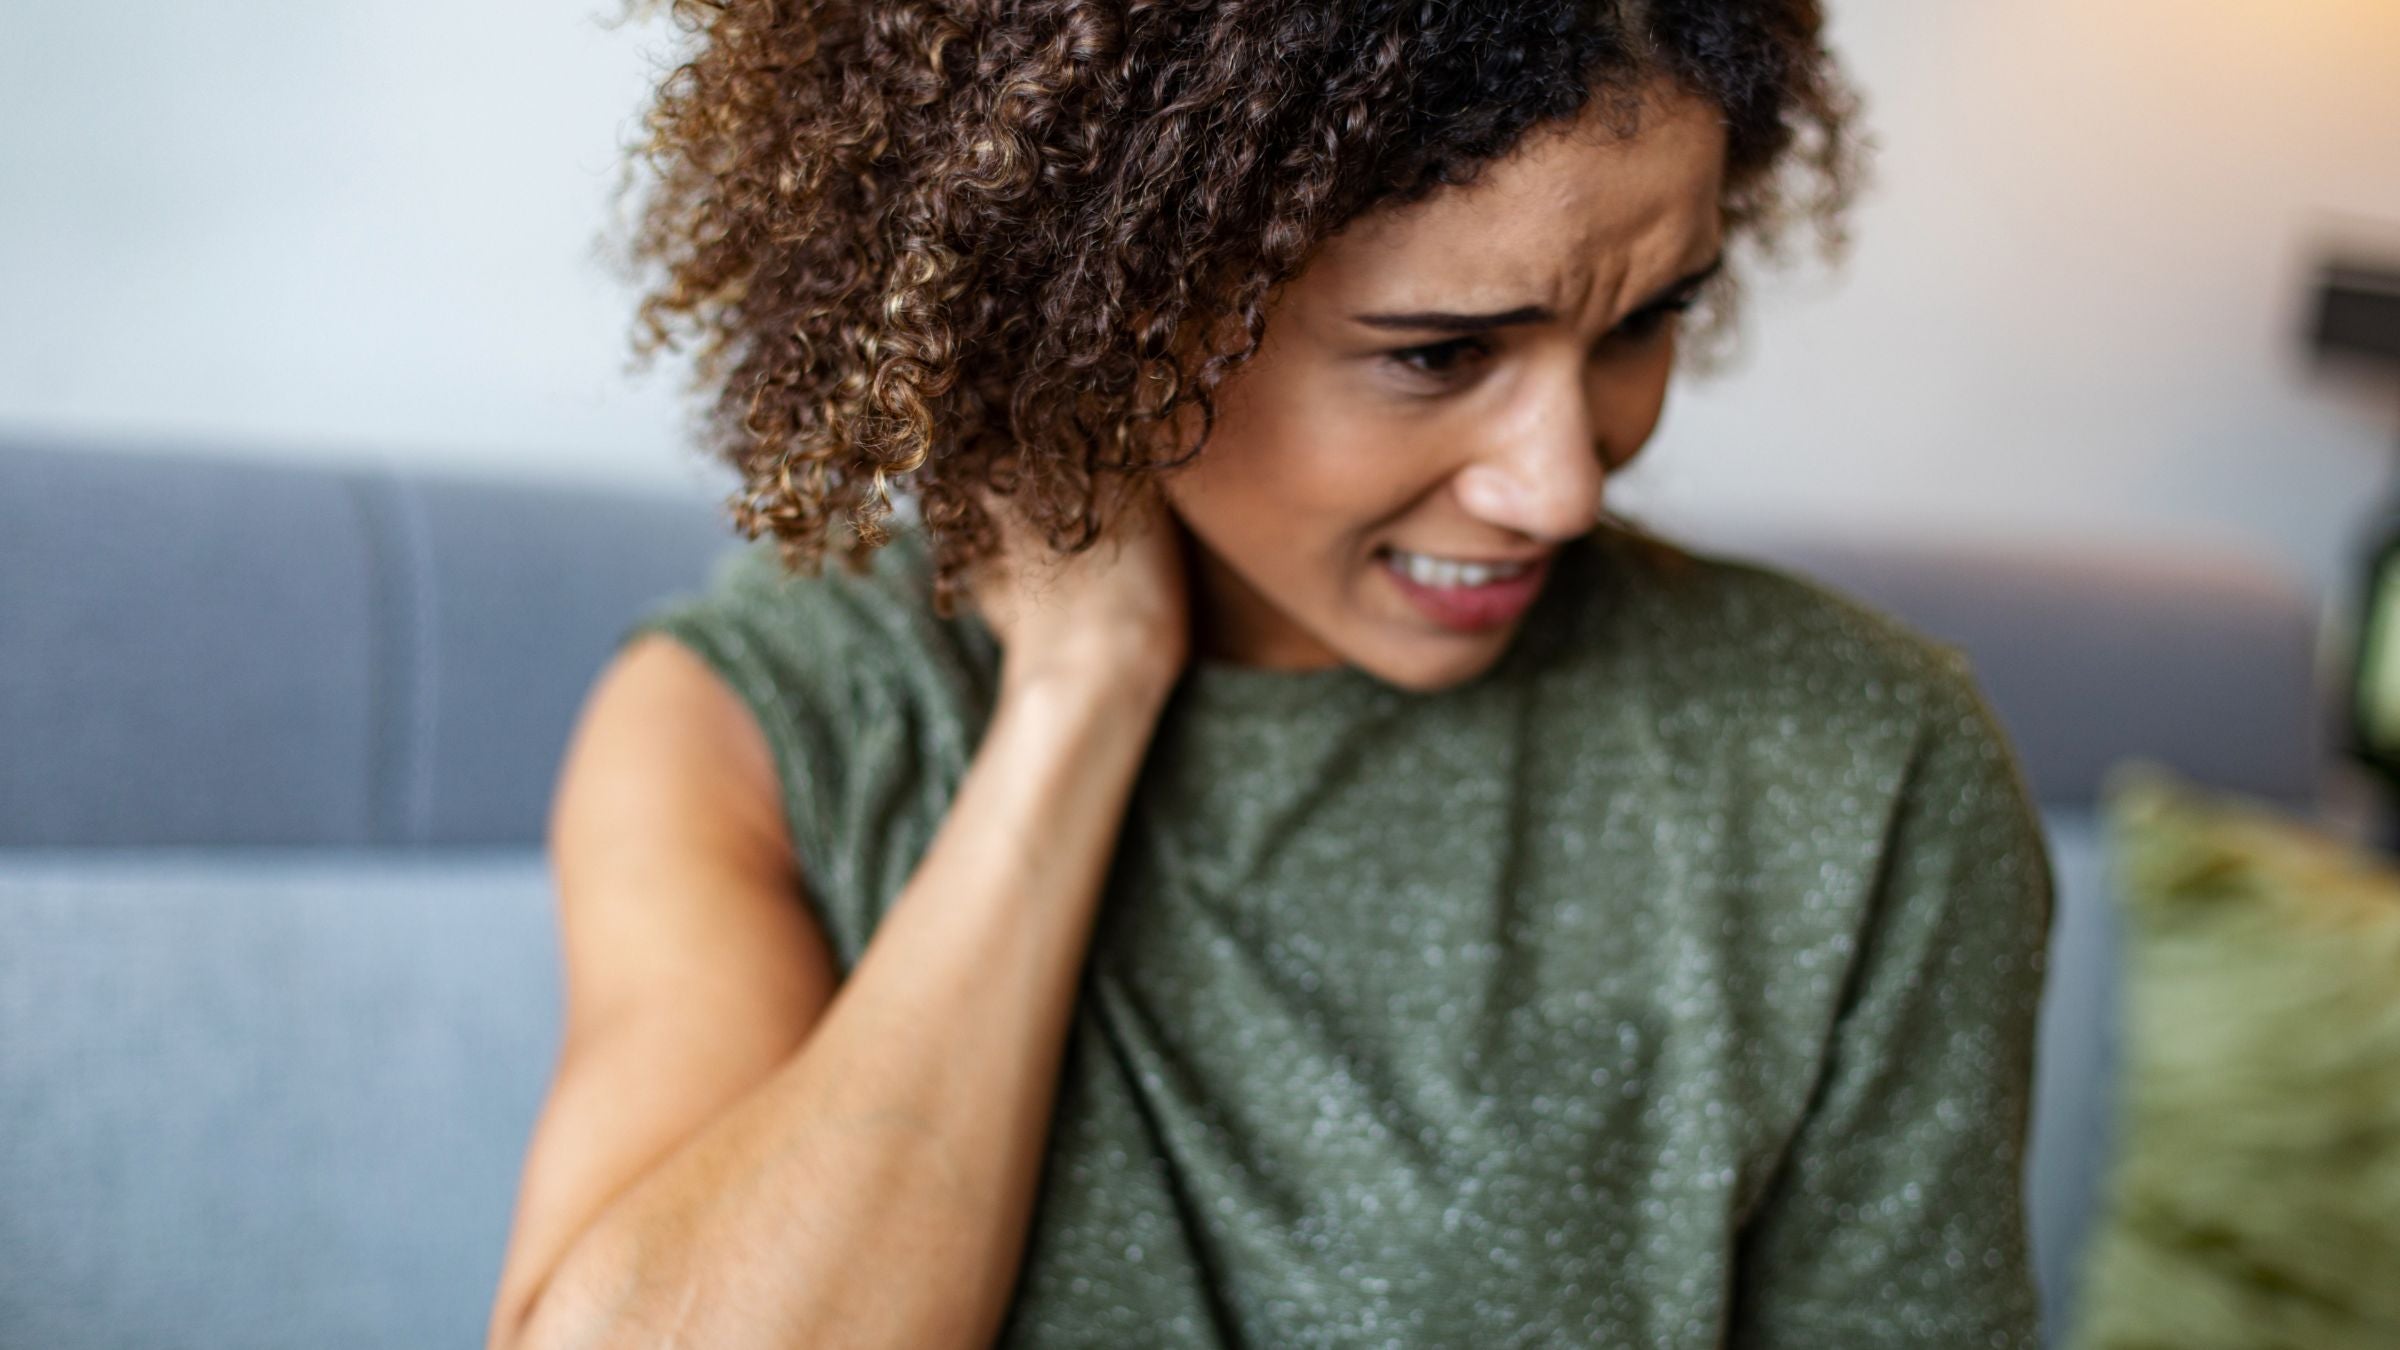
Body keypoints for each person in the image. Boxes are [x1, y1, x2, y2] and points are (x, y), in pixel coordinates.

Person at [487, 2, 2055, 1346]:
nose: (1565, 484)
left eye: (1646, 323)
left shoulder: (1856, 768)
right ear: (1113, 303)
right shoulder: (758, 725)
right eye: (1438, 353)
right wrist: (1080, 693)